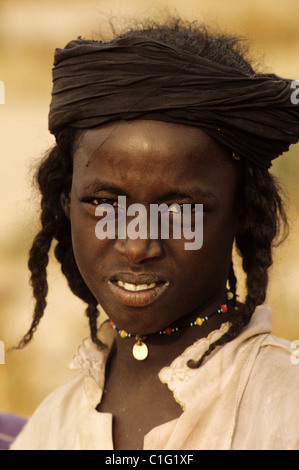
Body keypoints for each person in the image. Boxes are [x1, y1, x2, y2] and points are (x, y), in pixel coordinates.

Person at [10, 18, 299, 450]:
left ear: (242, 211)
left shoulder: (283, 405)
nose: (137, 244)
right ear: (66, 205)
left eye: (180, 210)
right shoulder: (52, 427)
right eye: (106, 204)